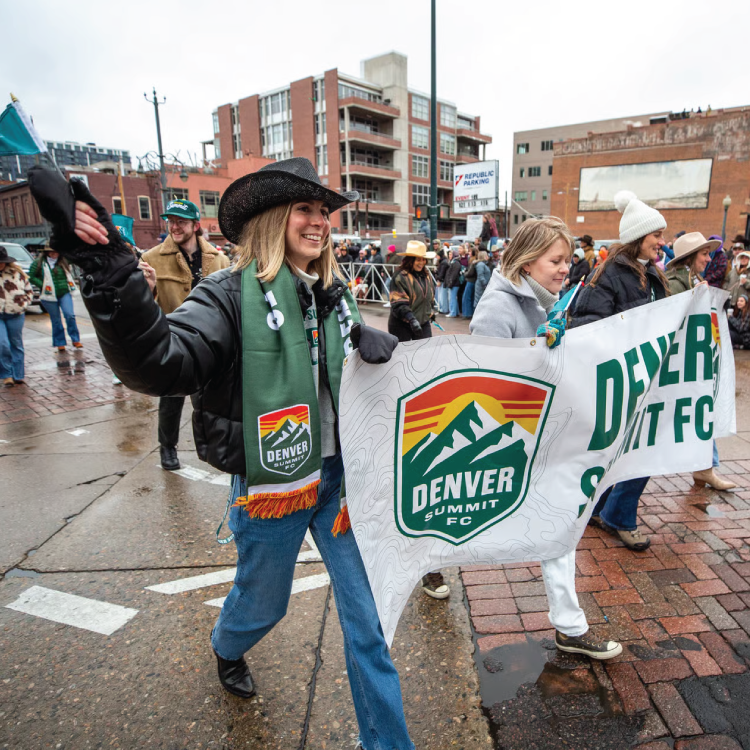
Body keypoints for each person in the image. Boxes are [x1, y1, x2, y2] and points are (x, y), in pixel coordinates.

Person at [29, 157, 415, 750]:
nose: (319, 221)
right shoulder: (227, 294)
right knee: (263, 605)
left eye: (324, 211)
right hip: (273, 484)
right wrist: (108, 269)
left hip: (342, 483)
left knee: (370, 624)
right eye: (304, 209)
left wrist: (366, 340)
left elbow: (342, 367)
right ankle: (226, 644)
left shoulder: (334, 295)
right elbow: (161, 362)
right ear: (270, 219)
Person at [471, 217, 622, 661]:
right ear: (527, 261)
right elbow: (484, 386)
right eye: (556, 260)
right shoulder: (498, 308)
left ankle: (569, 627)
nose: (565, 268)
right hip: (510, 445)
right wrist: (536, 356)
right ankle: (429, 560)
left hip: (540, 440)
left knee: (561, 526)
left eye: (567, 260)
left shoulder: (545, 302)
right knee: (475, 522)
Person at [571, 190, 671, 552]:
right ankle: (619, 517)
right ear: (638, 238)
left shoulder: (650, 272)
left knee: (629, 450)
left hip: (647, 376)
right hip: (625, 379)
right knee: (640, 451)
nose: (662, 241)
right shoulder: (610, 274)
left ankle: (600, 508)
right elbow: (586, 324)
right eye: (656, 234)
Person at [140, 198, 230, 471]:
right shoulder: (151, 259)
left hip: (212, 339)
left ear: (195, 225)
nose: (175, 227)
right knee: (171, 399)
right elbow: (141, 306)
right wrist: (149, 289)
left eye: (181, 221)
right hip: (174, 338)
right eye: (171, 221)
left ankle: (215, 445)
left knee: (214, 398)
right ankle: (167, 447)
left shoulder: (219, 259)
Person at [665, 232, 736, 491]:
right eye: (704, 254)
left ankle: (705, 468)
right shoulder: (676, 284)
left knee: (703, 411)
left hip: (692, 363)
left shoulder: (692, 280)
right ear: (689, 257)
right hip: (680, 365)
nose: (709, 259)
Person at [29, 246, 82, 352]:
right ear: (46, 253)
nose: (54, 254)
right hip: (48, 295)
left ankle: (75, 339)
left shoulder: (64, 261)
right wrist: (43, 285)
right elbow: (31, 276)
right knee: (56, 320)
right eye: (51, 252)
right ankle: (60, 343)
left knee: (70, 315)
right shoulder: (38, 262)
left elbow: (76, 258)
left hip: (64, 292)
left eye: (56, 252)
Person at [388, 240, 436, 342]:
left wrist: (429, 312)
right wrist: (411, 319)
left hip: (422, 322)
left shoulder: (426, 275)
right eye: (418, 260)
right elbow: (398, 303)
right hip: (402, 324)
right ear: (410, 260)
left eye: (423, 259)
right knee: (403, 351)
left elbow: (428, 296)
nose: (422, 263)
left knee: (426, 348)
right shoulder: (400, 277)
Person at [0, 245, 34, 386]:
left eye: (2, 262)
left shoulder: (17, 273)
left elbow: (29, 291)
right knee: (2, 344)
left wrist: (24, 304)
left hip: (16, 314)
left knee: (16, 344)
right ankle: (6, 374)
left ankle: (18, 374)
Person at [444, 248, 463, 317]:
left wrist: (450, 283)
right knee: (453, 298)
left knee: (452, 298)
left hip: (454, 284)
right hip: (454, 283)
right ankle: (455, 312)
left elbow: (454, 274)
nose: (450, 256)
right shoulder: (454, 262)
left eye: (451, 254)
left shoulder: (455, 263)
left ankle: (453, 312)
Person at [461, 247, 478, 318]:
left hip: (470, 281)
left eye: (470, 252)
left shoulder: (473, 261)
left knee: (466, 297)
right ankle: (469, 313)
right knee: (470, 297)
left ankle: (467, 313)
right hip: (473, 281)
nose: (469, 253)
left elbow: (470, 272)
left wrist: (464, 273)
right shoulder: (473, 260)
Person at [434, 248, 450, 313]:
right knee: (442, 296)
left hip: (443, 281)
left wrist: (438, 279)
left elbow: (442, 273)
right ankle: (443, 308)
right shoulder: (444, 262)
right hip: (443, 281)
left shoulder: (443, 263)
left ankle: (444, 309)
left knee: (443, 297)